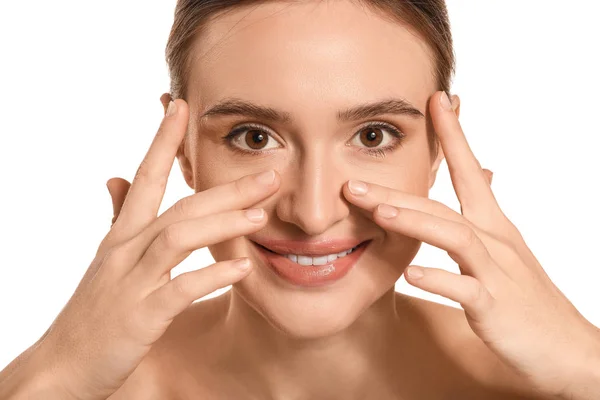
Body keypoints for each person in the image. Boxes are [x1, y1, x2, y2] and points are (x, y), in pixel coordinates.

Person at [1, 0, 599, 399]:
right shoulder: (89, 389)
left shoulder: (549, 382)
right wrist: (52, 378)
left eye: (373, 136)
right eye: (253, 137)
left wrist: (586, 364)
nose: (313, 215)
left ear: (442, 145)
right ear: (183, 150)